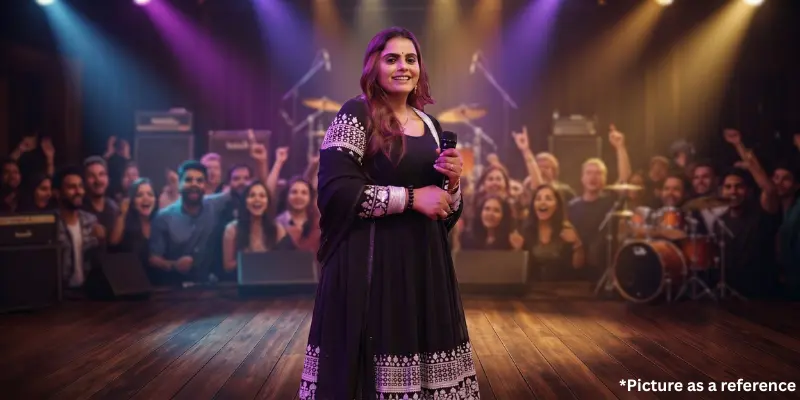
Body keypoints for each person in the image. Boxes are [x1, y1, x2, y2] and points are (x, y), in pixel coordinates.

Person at [298, 27, 480, 399]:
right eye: (392, 59)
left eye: (410, 59)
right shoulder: (355, 114)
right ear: (374, 67)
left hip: (423, 267)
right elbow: (336, 192)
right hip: (369, 267)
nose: (403, 67)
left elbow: (445, 212)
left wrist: (454, 186)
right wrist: (413, 199)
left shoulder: (430, 124)